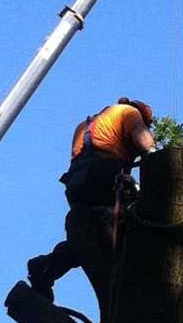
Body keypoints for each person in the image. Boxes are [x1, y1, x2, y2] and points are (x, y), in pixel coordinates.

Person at [25, 97, 155, 301]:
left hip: (77, 184)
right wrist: (154, 156)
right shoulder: (129, 113)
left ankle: (46, 266)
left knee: (87, 239)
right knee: (127, 227)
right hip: (103, 177)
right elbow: (144, 139)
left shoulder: (87, 125)